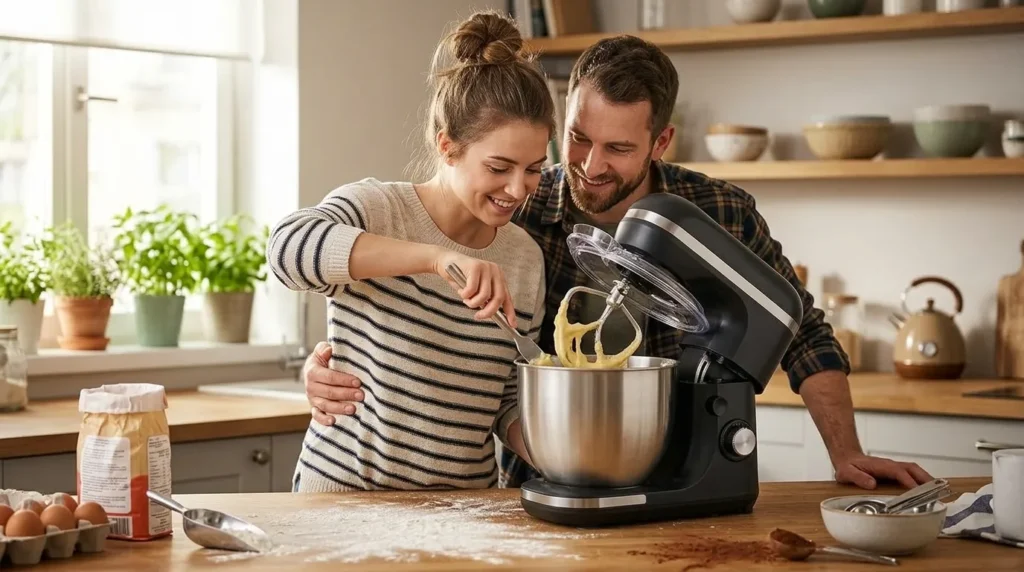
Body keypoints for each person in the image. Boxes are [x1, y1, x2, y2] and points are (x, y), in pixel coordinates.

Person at [300, 33, 935, 491]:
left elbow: (801, 331)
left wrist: (846, 453)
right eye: (578, 137)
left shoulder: (719, 211)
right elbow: (446, 323)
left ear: (660, 141)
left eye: (618, 148)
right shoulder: (519, 207)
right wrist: (338, 360)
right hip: (542, 477)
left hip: (676, 469)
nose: (589, 164)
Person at [266, 10, 552, 492]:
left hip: (463, 515)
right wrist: (436, 259)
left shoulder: (524, 258)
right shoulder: (379, 209)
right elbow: (287, 249)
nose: (518, 188)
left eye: (535, 169)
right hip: (344, 504)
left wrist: (565, 453)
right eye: (500, 167)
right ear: (448, 146)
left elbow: (505, 397)